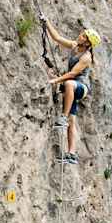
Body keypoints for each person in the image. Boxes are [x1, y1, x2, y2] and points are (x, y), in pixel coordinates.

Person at [40, 15, 99, 165]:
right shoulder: (74, 46)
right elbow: (57, 38)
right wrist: (47, 22)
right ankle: (71, 154)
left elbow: (73, 74)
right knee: (73, 120)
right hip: (71, 88)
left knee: (69, 84)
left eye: (84, 36)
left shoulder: (86, 57)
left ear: (87, 43)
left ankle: (63, 118)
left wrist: (56, 80)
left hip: (81, 87)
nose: (80, 35)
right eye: (82, 33)